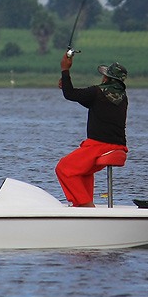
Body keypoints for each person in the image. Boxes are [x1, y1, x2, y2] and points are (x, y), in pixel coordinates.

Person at [56, 52, 128, 207]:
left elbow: (71, 95)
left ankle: (87, 206)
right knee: (81, 171)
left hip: (99, 146)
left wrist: (65, 69)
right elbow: (82, 98)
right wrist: (67, 85)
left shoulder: (97, 92)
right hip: (118, 147)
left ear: (107, 79)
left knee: (63, 168)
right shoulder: (122, 97)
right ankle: (82, 205)